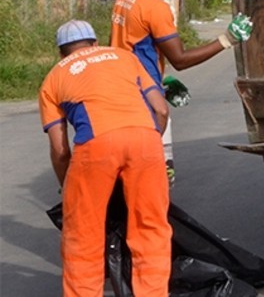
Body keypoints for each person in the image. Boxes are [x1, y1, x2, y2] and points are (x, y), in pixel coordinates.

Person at [39, 20, 173, 297]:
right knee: (151, 227)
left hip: (96, 145)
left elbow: (60, 150)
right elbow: (161, 110)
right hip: (145, 138)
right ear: (96, 43)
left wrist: (69, 187)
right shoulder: (125, 58)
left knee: (83, 235)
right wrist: (146, 148)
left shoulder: (53, 79)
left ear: (62, 53)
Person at [110, 0, 253, 184]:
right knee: (155, 174)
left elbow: (129, 47)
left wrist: (160, 78)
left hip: (122, 86)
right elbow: (180, 59)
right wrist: (226, 39)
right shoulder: (154, 7)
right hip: (142, 97)